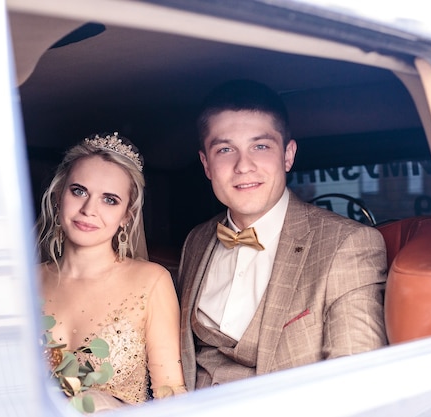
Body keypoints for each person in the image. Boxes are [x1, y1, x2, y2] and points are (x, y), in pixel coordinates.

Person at [177, 80, 388, 390]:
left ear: (288, 155)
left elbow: (356, 385)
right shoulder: (197, 240)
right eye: (225, 150)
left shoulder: (348, 244)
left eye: (260, 146)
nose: (243, 166)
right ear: (206, 164)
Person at [36, 132, 186, 411]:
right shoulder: (23, 283)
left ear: (126, 216)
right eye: (79, 191)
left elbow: (172, 395)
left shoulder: (151, 282)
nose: (89, 210)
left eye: (110, 200)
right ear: (58, 197)